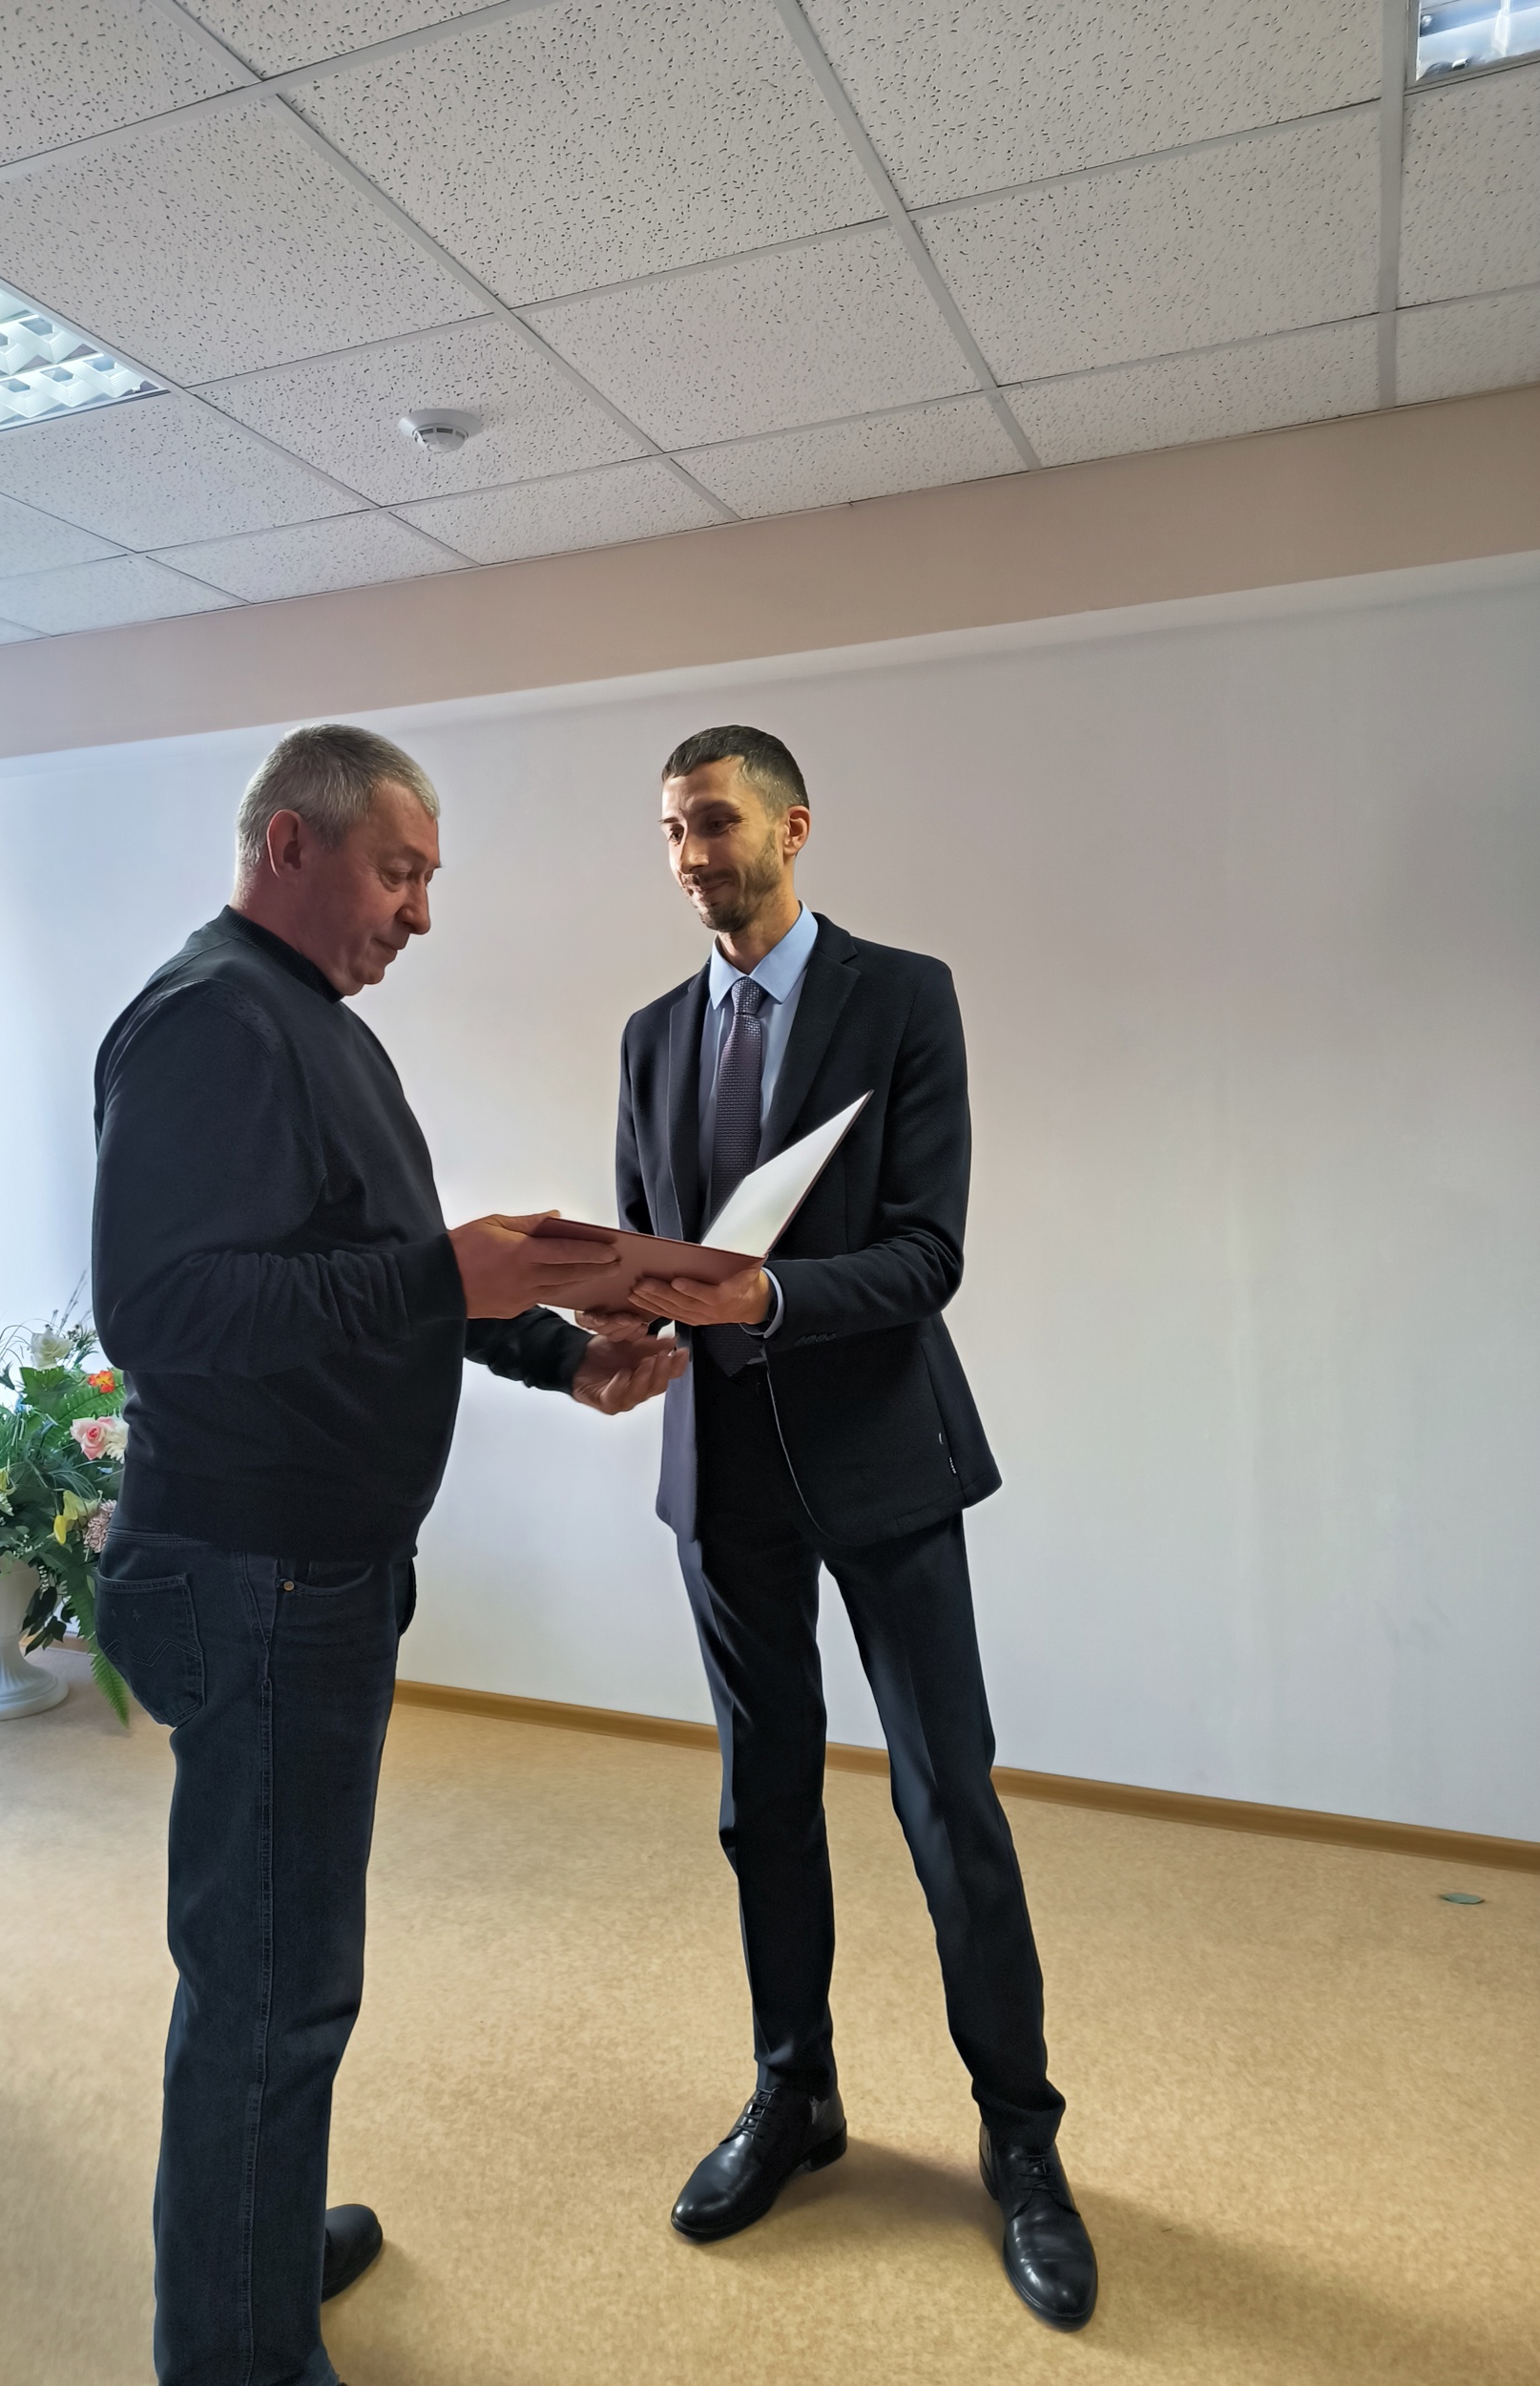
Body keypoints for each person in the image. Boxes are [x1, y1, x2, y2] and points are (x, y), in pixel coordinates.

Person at [91, 722, 683, 2386]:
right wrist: (448, 1278)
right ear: (292, 845)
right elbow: (162, 1311)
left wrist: (558, 1352)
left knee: (291, 1972)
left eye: (428, 880)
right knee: (269, 1990)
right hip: (253, 1572)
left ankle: (260, 2247)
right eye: (400, 873)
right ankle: (234, 2349)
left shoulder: (312, 1026)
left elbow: (375, 1271)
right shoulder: (211, 1021)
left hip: (314, 1571)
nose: (422, 913)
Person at [578, 725, 1097, 2331]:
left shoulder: (905, 996)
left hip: (884, 1458)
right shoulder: (651, 1036)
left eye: (715, 822)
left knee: (949, 1803)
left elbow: (930, 1252)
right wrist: (623, 1317)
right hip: (720, 1472)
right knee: (763, 1802)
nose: (692, 856)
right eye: (671, 831)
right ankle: (794, 2094)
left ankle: (1022, 2138)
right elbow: (645, 1241)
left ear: (793, 827)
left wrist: (770, 1296)